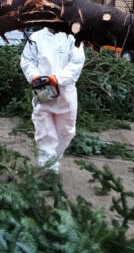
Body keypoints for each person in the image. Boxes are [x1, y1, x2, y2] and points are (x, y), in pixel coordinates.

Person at [20, 27, 85, 173]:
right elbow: (27, 61)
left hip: (66, 94)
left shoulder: (72, 37)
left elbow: (77, 63)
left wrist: (58, 78)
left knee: (67, 131)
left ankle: (52, 160)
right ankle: (47, 168)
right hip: (44, 90)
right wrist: (34, 76)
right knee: (43, 129)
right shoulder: (36, 37)